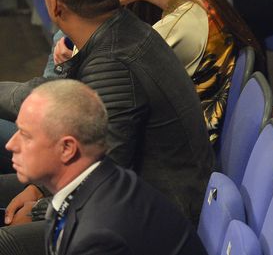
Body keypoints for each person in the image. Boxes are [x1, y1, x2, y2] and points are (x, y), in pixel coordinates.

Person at [0, 0, 213, 253]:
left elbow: (101, 172)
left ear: (54, 4)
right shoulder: (120, 33)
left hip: (143, 220)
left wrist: (38, 209)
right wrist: (36, 189)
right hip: (130, 195)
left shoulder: (114, 65)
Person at [57, 0, 258, 145]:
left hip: (176, 163)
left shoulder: (186, 23)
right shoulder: (192, 6)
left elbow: (101, 86)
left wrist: (74, 56)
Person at [4, 79, 207, 255]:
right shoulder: (103, 179)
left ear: (67, 148)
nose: (11, 144)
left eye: (25, 135)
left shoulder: (98, 237)